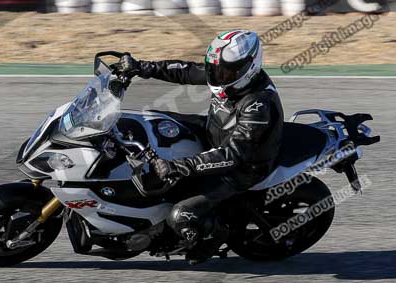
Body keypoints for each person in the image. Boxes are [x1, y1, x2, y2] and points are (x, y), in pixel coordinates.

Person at [118, 30, 284, 264]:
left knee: (180, 215)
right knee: (150, 121)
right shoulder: (225, 75)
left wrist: (179, 166)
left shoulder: (258, 105)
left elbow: (232, 156)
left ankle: (215, 235)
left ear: (249, 68)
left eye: (226, 71)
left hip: (242, 168)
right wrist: (142, 67)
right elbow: (185, 71)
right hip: (213, 131)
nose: (218, 76)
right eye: (215, 69)